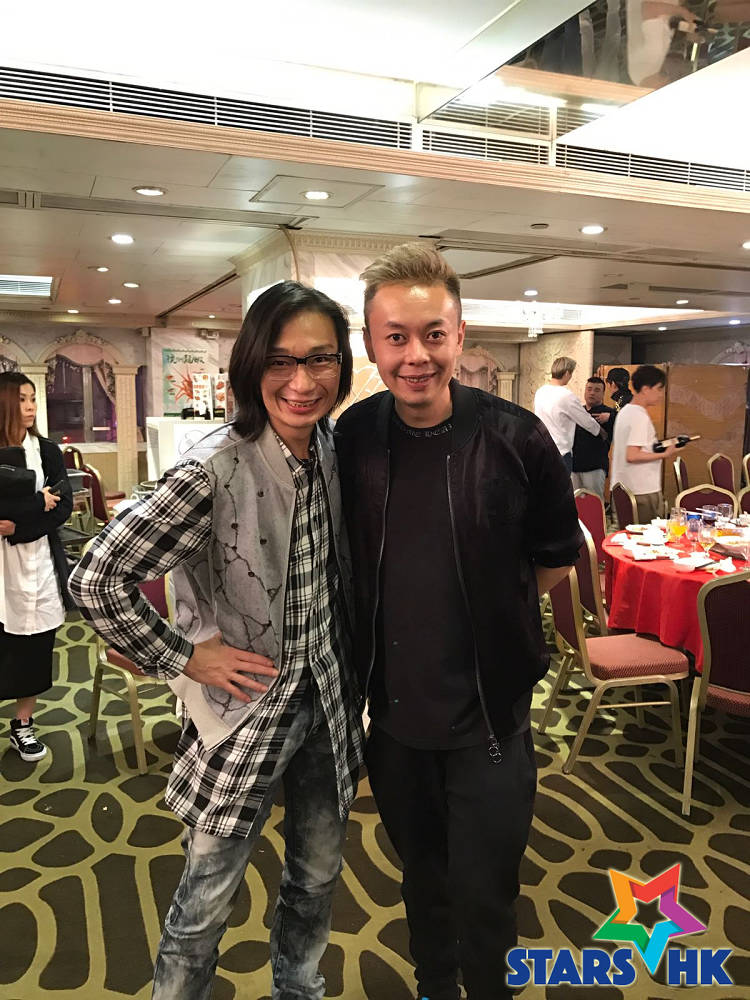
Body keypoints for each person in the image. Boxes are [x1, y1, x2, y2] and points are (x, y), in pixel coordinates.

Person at [69, 282, 364, 1000]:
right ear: (251, 366)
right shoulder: (212, 469)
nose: (302, 381)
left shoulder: (334, 449)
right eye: (280, 361)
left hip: (327, 699)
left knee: (316, 877)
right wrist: (184, 658)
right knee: (205, 901)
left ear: (342, 364)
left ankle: (299, 988)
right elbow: (96, 577)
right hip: (246, 708)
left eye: (320, 359)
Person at [334, 243, 582, 1000]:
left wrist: (492, 610)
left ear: (460, 335)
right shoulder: (351, 438)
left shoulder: (517, 437)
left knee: (486, 894)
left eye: (433, 334)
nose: (416, 356)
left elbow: (554, 558)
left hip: (490, 721)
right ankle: (435, 984)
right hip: (394, 722)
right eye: (396, 337)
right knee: (422, 878)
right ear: (371, 344)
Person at [0, 372, 73, 761]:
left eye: (33, 399)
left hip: (36, 559)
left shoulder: (47, 451)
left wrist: (18, 527)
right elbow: (41, 503)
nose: (30, 407)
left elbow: (62, 506)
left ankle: (23, 723)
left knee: (34, 645)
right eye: (22, 400)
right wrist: (34, 503)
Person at [609, 364, 680, 523]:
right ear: (646, 389)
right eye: (659, 389)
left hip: (624, 488)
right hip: (641, 490)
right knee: (645, 536)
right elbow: (632, 455)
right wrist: (665, 454)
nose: (661, 394)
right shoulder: (639, 416)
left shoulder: (625, 411)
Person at [533, 356, 605, 473]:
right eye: (571, 373)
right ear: (567, 373)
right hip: (560, 452)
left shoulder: (540, 392)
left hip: (542, 449)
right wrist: (600, 431)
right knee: (561, 484)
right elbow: (585, 420)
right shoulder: (566, 395)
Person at [571, 375, 617, 498]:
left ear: (603, 394)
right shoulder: (578, 411)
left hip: (595, 467)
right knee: (575, 504)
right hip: (574, 467)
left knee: (594, 503)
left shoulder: (609, 413)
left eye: (597, 390)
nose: (592, 393)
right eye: (589, 389)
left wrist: (611, 417)